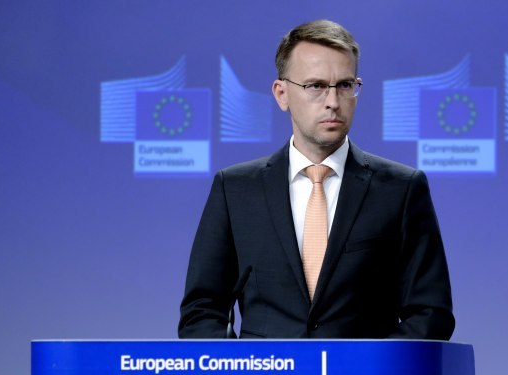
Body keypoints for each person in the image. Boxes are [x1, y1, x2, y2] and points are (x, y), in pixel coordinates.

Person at [178, 20, 454, 339]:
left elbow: (430, 313)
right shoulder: (235, 189)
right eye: (316, 86)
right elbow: (201, 312)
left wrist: (368, 365)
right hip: (266, 371)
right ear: (282, 94)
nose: (333, 102)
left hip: (362, 373)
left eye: (345, 85)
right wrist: (243, 366)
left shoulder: (401, 189)